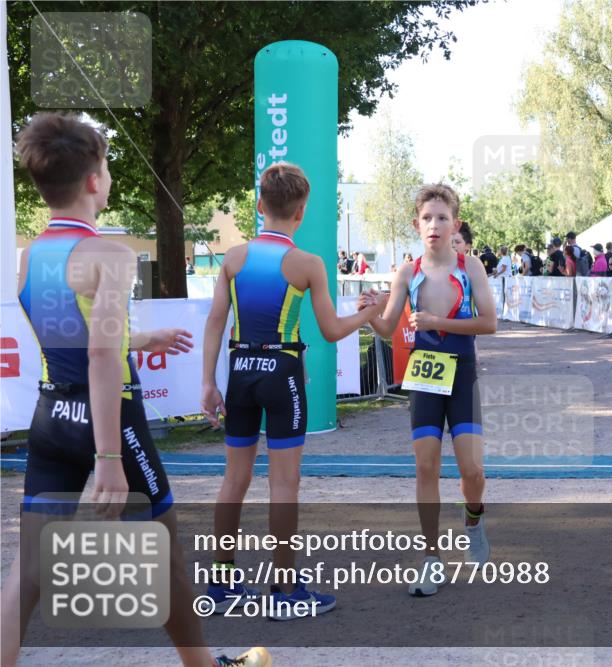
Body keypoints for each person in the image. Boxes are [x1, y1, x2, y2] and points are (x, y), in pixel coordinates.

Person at [1, 112, 270, 667]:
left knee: (27, 569)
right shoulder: (112, 254)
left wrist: (141, 335)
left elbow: (75, 335)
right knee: (165, 556)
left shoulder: (32, 257)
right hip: (112, 425)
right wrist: (106, 456)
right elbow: (100, 352)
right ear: (95, 180)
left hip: (52, 414)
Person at [200, 163, 384, 620]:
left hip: (240, 369)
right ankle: (283, 590)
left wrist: (207, 381)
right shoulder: (308, 264)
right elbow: (331, 329)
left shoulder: (234, 258)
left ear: (260, 206)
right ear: (300, 213)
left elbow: (216, 322)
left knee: (233, 481)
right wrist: (369, 313)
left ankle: (222, 582)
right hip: (282, 372)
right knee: (284, 484)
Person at [370, 183, 497, 596]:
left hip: (461, 373)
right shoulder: (406, 272)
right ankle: (430, 560)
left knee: (471, 471)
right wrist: (372, 311)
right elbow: (389, 328)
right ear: (416, 224)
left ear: (455, 224)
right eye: (427, 218)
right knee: (425, 466)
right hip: (425, 375)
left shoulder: (470, 266)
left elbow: (489, 323)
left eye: (443, 218)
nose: (435, 225)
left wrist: (438, 324)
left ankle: (473, 520)